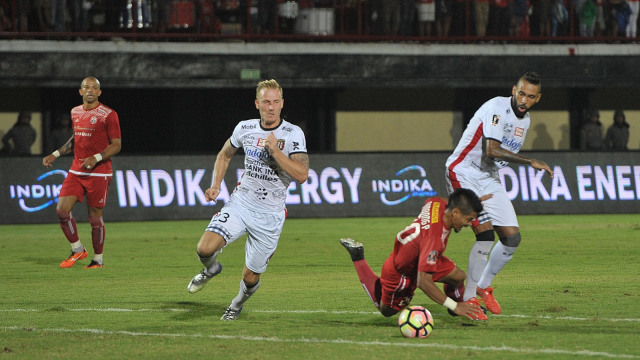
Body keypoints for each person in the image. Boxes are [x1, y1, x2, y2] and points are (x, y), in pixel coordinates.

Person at [186, 79, 309, 321]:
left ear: (282, 103)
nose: (271, 107)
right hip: (241, 203)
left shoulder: (293, 134)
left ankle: (236, 304)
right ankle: (212, 268)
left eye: (275, 102)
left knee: (250, 277)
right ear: (257, 104)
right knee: (204, 248)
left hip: (270, 214)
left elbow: (302, 175)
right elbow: (225, 154)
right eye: (266, 102)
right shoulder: (245, 128)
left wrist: (275, 151)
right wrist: (215, 185)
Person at [445, 72, 553, 315]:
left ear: (538, 99)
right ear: (514, 90)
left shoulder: (525, 121)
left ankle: (483, 287)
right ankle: (468, 297)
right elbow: (492, 150)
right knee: (485, 235)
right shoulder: (496, 107)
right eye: (521, 93)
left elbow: (497, 158)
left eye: (531, 96)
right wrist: (530, 161)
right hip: (463, 171)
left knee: (511, 239)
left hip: (488, 177)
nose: (524, 100)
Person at [339, 188, 488, 321]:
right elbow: (423, 282)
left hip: (422, 255)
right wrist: (454, 305)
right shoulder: (433, 239)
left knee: (458, 277)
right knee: (387, 310)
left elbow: (442, 201)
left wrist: (471, 202)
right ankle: (358, 256)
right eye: (468, 219)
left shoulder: (437, 204)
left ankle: (463, 308)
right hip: (403, 273)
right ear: (455, 212)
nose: (469, 224)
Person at [42, 77, 122, 269]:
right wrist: (55, 154)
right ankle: (78, 249)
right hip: (76, 170)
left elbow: (117, 145)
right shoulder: (75, 111)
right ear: (80, 91)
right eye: (87, 87)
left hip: (99, 173)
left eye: (94, 88)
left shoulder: (108, 114)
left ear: (99, 92)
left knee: (95, 217)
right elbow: (76, 139)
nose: (90, 90)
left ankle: (98, 260)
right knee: (61, 210)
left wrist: (96, 157)